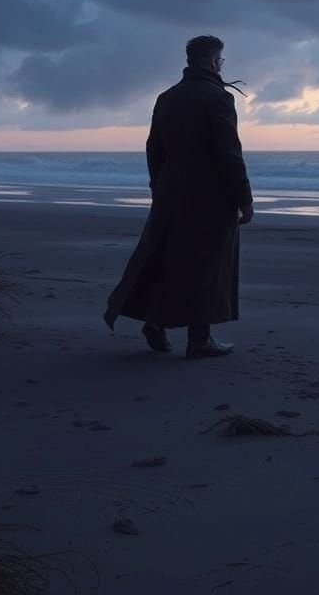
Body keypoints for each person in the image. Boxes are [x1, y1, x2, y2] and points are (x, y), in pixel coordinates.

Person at [103, 35, 254, 359]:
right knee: (207, 264)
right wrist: (244, 197)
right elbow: (229, 153)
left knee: (167, 259)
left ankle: (156, 321)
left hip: (170, 191)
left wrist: (158, 187)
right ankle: (200, 339)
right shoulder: (218, 98)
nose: (221, 66)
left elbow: (153, 148)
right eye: (220, 61)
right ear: (213, 62)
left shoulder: (167, 97)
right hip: (210, 196)